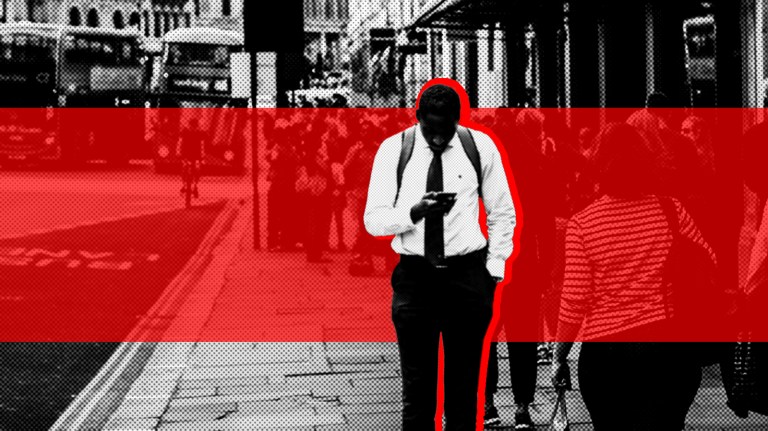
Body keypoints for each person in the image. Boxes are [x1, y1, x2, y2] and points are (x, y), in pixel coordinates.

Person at [364, 83, 516, 431]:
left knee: (464, 391)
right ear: (417, 117)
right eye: (429, 129)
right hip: (416, 279)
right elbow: (373, 219)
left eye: (444, 130)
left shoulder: (478, 147)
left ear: (457, 120)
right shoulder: (394, 150)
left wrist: (494, 267)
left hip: (467, 276)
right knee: (418, 390)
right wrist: (414, 212)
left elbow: (502, 211)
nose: (436, 138)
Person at [551, 123, 714, 431]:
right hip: (668, 348)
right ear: (645, 161)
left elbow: (574, 299)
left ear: (599, 165)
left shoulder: (583, 224)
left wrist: (560, 355)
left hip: (607, 357)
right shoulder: (671, 211)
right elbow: (708, 264)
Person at [484, 109, 556, 429]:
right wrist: (549, 265)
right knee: (523, 337)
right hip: (523, 264)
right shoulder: (535, 169)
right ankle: (522, 407)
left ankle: (486, 405)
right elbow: (547, 224)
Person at [177, 117, 206, 198]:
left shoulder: (200, 133)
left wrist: (203, 155)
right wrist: (178, 151)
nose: (193, 128)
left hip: (196, 154)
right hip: (185, 153)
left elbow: (202, 144)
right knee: (184, 168)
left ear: (197, 126)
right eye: (191, 126)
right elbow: (180, 141)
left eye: (195, 126)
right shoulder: (184, 131)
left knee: (197, 169)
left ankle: (195, 186)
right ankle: (184, 185)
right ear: (189, 125)